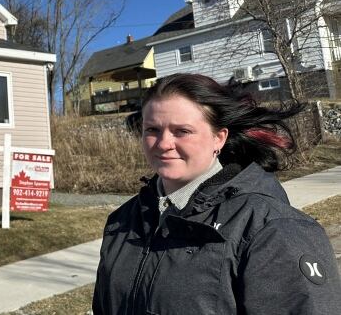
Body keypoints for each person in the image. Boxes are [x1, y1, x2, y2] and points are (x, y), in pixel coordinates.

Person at [92, 73, 341, 315]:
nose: (164, 143)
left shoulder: (272, 229)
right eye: (152, 130)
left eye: (182, 131)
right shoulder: (122, 222)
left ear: (218, 138)